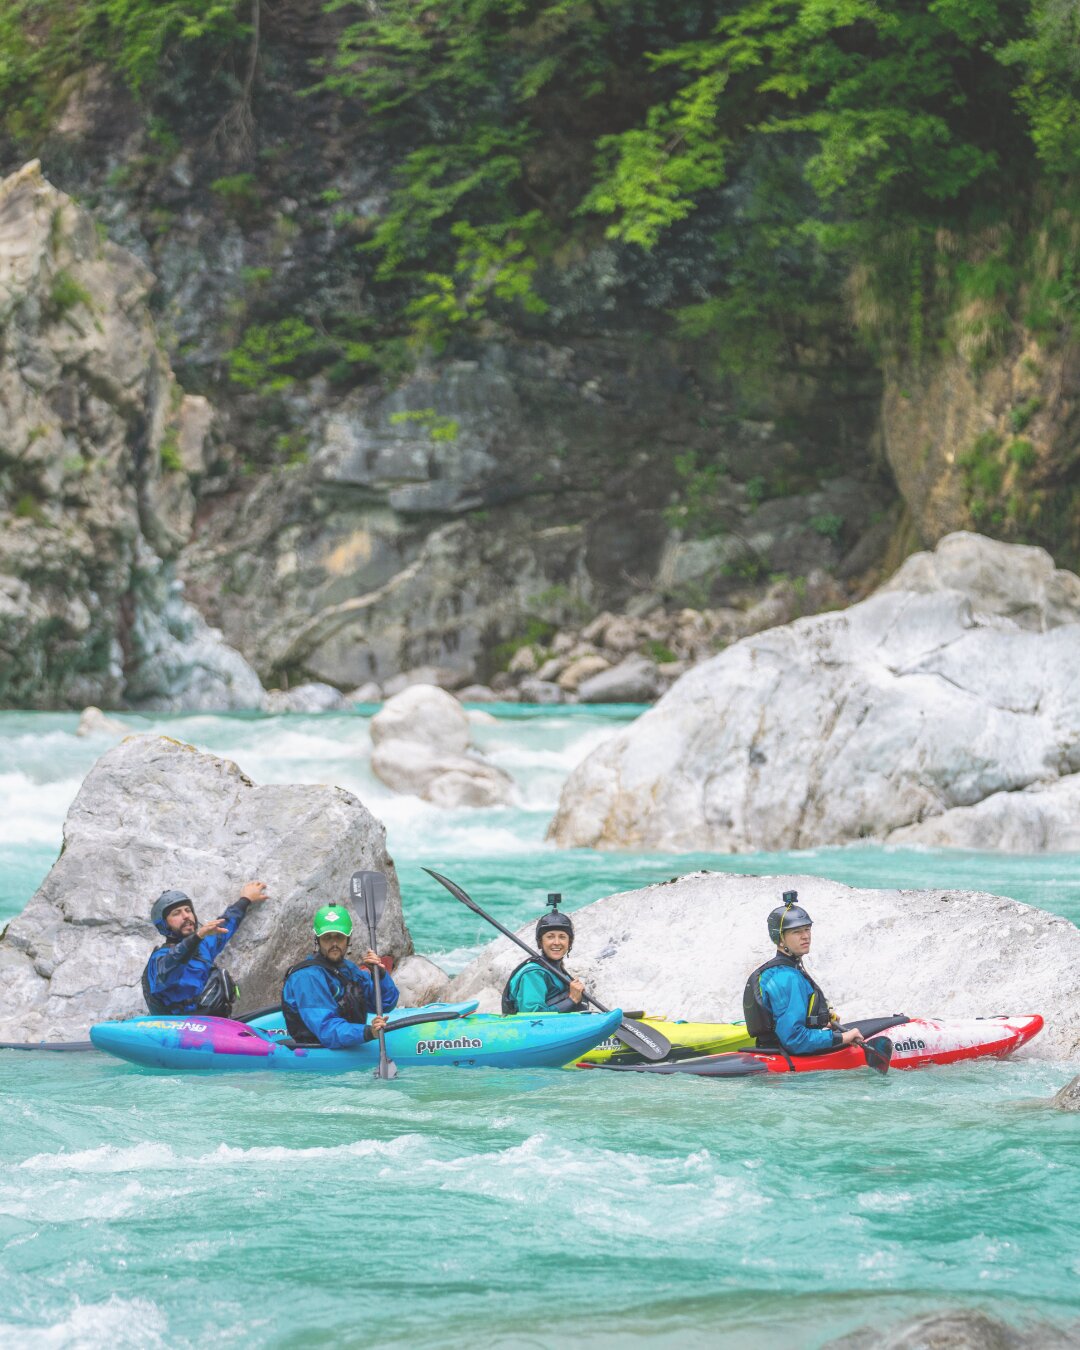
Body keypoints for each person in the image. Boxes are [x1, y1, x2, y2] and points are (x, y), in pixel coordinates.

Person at [742, 891, 864, 1055]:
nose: (806, 936)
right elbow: (795, 1040)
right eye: (796, 932)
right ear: (780, 938)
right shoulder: (787, 977)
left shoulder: (779, 971)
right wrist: (844, 1038)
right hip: (786, 1058)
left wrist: (820, 1023)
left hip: (773, 1048)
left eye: (807, 929)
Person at [142, 881, 269, 1017]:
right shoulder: (159, 961)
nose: (186, 916)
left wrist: (245, 899)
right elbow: (174, 960)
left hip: (212, 1024)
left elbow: (227, 923)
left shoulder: (203, 946)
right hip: (180, 1029)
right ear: (164, 925)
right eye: (176, 913)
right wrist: (198, 936)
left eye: (188, 910)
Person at [281, 904, 399, 1048]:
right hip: (316, 1049)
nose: (334, 943)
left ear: (348, 939)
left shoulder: (349, 969)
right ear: (317, 940)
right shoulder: (307, 977)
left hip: (349, 1041)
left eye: (339, 937)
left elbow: (386, 1004)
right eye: (327, 937)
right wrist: (367, 1032)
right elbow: (326, 1029)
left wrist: (379, 975)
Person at [502, 894, 586, 1014]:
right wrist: (571, 1000)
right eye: (550, 937)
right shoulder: (534, 974)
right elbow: (532, 1015)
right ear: (540, 942)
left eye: (562, 937)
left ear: (569, 942)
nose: (556, 942)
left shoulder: (557, 970)